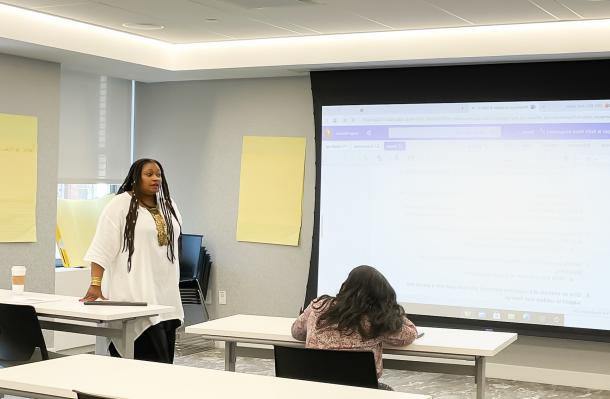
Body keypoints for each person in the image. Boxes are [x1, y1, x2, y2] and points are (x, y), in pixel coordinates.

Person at [80, 158, 184, 363]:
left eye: (159, 174)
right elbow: (101, 247)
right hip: (134, 295)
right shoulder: (119, 205)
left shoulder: (169, 205)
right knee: (147, 364)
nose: (156, 178)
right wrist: (95, 284)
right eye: (149, 174)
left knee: (165, 366)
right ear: (136, 178)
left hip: (167, 298)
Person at [291, 265, 418, 390]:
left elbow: (297, 332)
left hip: (315, 387)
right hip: (360, 390)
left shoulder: (319, 306)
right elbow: (410, 334)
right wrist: (390, 311)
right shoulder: (377, 319)